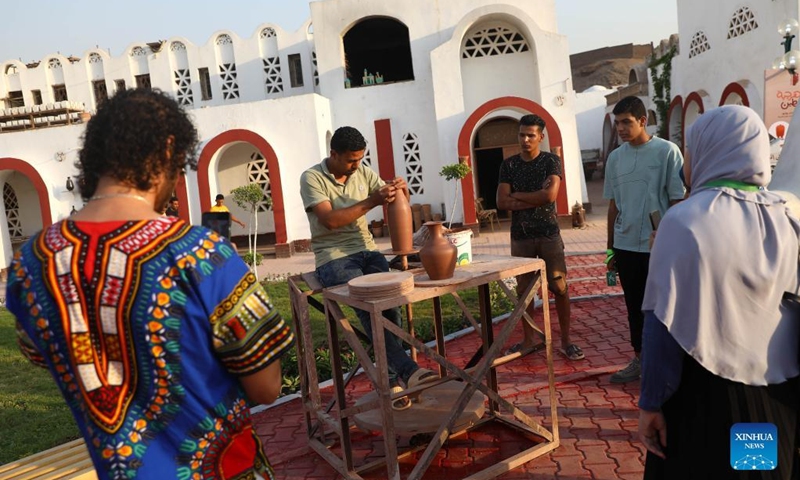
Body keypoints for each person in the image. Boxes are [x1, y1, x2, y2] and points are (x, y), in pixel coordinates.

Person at [6, 88, 294, 479]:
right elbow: (266, 387)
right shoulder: (202, 255)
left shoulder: (31, 264)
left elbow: (40, 352)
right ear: (169, 153)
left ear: (95, 158)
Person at [638, 105, 799, 478]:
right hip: (776, 396)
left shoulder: (683, 221)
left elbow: (660, 324)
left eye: (690, 149)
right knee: (758, 472)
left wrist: (651, 404)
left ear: (710, 150)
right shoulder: (788, 215)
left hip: (707, 396)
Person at [299, 126, 436, 409]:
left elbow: (399, 204)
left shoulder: (361, 171)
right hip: (333, 257)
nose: (357, 166)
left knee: (392, 308)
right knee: (369, 308)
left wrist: (401, 191)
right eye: (351, 160)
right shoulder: (311, 177)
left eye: (360, 159)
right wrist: (374, 199)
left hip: (367, 251)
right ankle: (410, 372)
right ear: (333, 154)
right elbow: (331, 221)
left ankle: (391, 381)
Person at [603, 96, 684, 383]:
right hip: (625, 247)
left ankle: (672, 364)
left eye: (627, 122)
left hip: (658, 246)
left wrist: (672, 240)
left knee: (666, 305)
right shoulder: (615, 158)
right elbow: (613, 206)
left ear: (643, 121)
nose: (621, 129)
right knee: (634, 306)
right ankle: (640, 360)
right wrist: (610, 250)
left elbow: (677, 199)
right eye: (618, 123)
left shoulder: (667, 152)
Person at [496, 114, 584, 361]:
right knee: (524, 291)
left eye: (530, 135)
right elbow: (502, 202)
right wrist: (534, 194)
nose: (525, 139)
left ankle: (566, 340)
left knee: (559, 286)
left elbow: (550, 197)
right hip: (520, 236)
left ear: (540, 137)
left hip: (548, 234)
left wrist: (518, 195)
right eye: (521, 135)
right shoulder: (509, 165)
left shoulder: (550, 161)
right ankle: (529, 339)